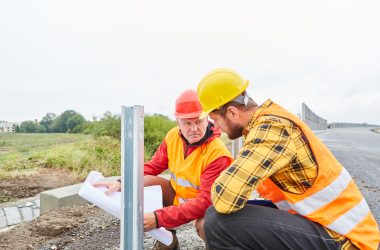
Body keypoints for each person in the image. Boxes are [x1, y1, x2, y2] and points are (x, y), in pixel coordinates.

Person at [196, 68, 380, 250]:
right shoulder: (266, 121)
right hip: (323, 223)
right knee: (217, 217)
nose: (217, 127)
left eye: (215, 120)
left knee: (218, 223)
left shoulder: (272, 129)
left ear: (233, 112)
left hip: (346, 240)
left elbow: (225, 197)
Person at [94, 89, 233, 250]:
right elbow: (153, 166)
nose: (194, 128)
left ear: (207, 118)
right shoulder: (173, 137)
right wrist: (122, 182)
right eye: (187, 123)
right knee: (145, 183)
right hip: (179, 196)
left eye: (198, 121)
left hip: (207, 207)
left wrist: (158, 218)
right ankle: (168, 241)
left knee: (207, 226)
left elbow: (205, 201)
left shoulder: (217, 153)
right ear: (178, 122)